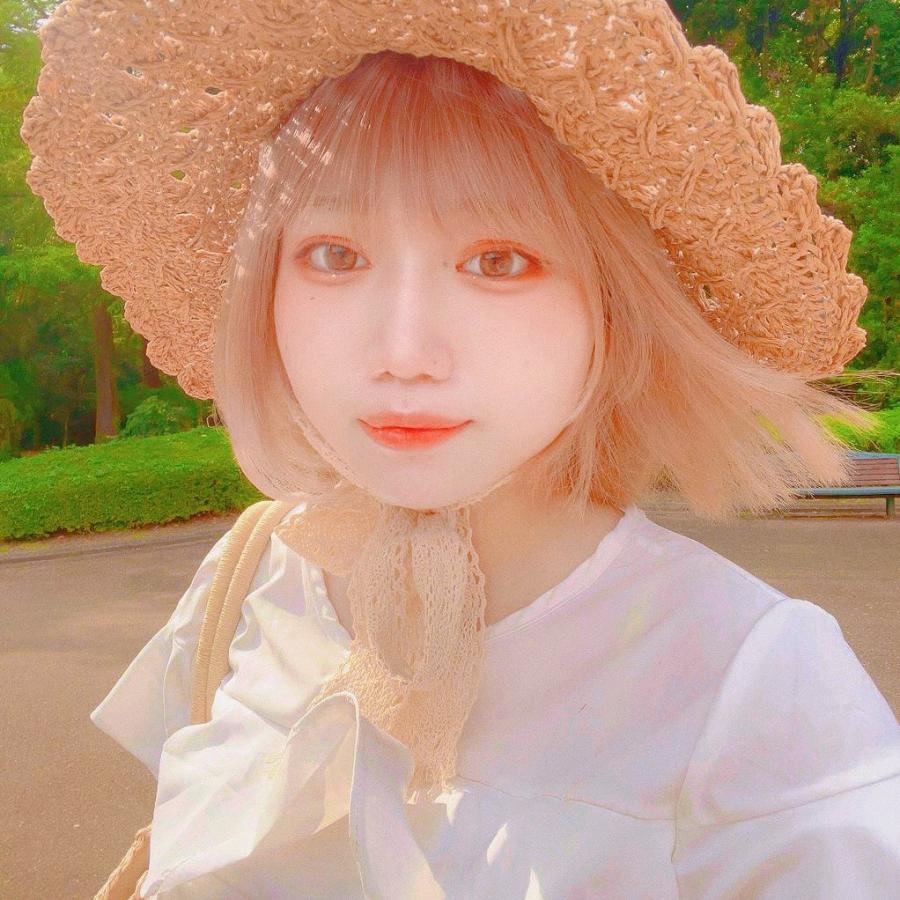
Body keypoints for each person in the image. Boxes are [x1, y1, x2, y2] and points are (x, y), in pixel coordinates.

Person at [21, 2, 900, 897]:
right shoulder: (250, 576)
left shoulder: (758, 687)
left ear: (614, 300)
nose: (403, 352)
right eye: (334, 254)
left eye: (498, 261)